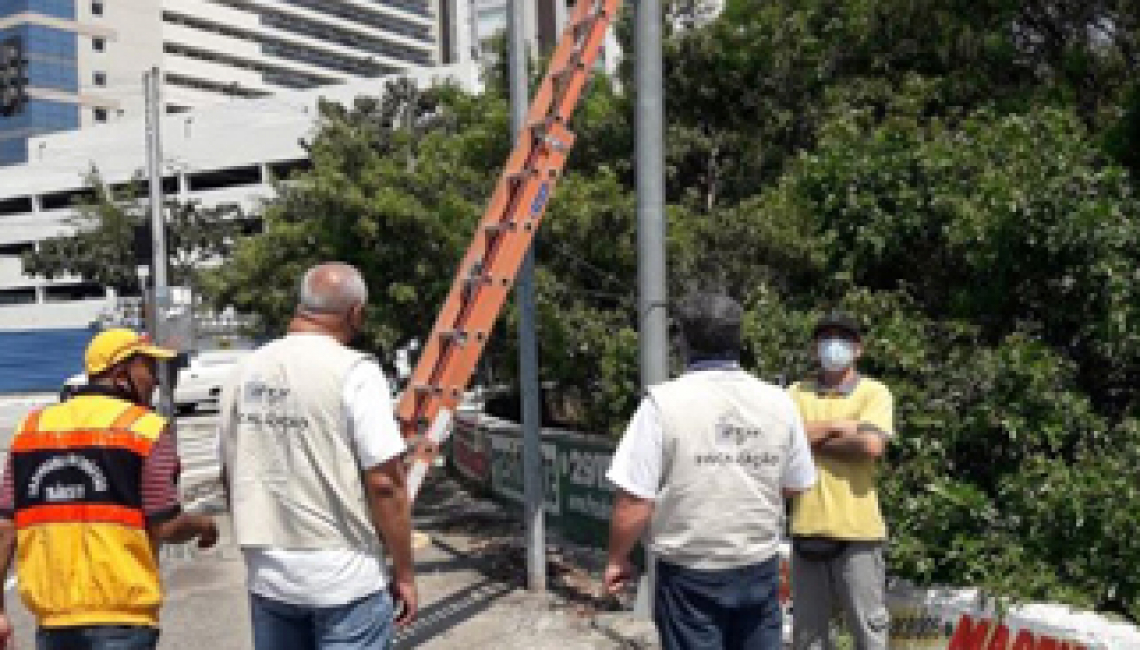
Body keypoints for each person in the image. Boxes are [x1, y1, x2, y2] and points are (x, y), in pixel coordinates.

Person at [219, 262, 417, 650]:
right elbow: (385, 484)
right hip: (344, 579)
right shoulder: (354, 372)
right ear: (355, 313)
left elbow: (231, 473)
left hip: (269, 575)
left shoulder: (242, 372)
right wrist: (405, 572)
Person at [603, 292, 817, 650]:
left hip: (690, 574)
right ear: (738, 340)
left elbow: (635, 502)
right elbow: (796, 484)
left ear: (683, 342)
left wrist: (616, 559)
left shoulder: (662, 405)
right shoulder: (779, 402)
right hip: (759, 566)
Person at [0, 328, 219, 650]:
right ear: (121, 375)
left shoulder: (31, 430)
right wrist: (205, 525)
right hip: (122, 617)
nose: (156, 381)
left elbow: (5, 526)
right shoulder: (146, 430)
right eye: (147, 368)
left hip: (53, 619)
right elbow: (166, 524)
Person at [789, 312, 894, 650]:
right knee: (808, 637)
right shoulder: (795, 392)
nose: (833, 345)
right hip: (807, 529)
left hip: (859, 532)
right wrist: (842, 426)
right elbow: (785, 441)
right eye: (826, 338)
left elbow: (871, 445)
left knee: (869, 630)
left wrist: (811, 437)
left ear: (858, 349)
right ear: (814, 348)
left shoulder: (874, 392)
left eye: (843, 338)